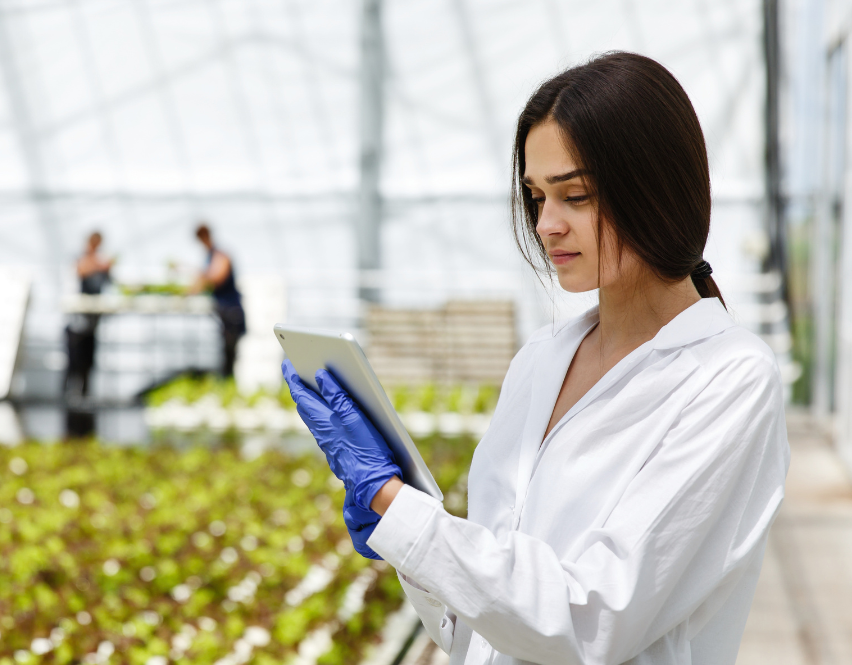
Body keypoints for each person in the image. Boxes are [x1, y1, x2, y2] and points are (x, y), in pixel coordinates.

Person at [284, 52, 789, 665]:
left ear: (656, 190)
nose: (547, 224)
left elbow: (592, 622)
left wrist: (398, 506)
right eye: (536, 195)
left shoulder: (728, 378)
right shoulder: (540, 361)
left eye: (575, 195)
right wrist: (412, 552)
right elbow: (484, 630)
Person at [190, 223, 245, 378]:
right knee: (226, 352)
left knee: (231, 352)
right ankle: (227, 381)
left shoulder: (220, 255)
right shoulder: (210, 256)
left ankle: (230, 383)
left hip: (231, 310)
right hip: (224, 310)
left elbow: (216, 278)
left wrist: (200, 278)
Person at [63, 231, 112, 403]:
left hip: (91, 323)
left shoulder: (100, 262)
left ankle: (84, 395)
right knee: (73, 362)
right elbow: (81, 270)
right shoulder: (82, 259)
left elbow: (108, 282)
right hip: (76, 322)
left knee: (88, 362)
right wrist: (100, 266)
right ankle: (68, 395)